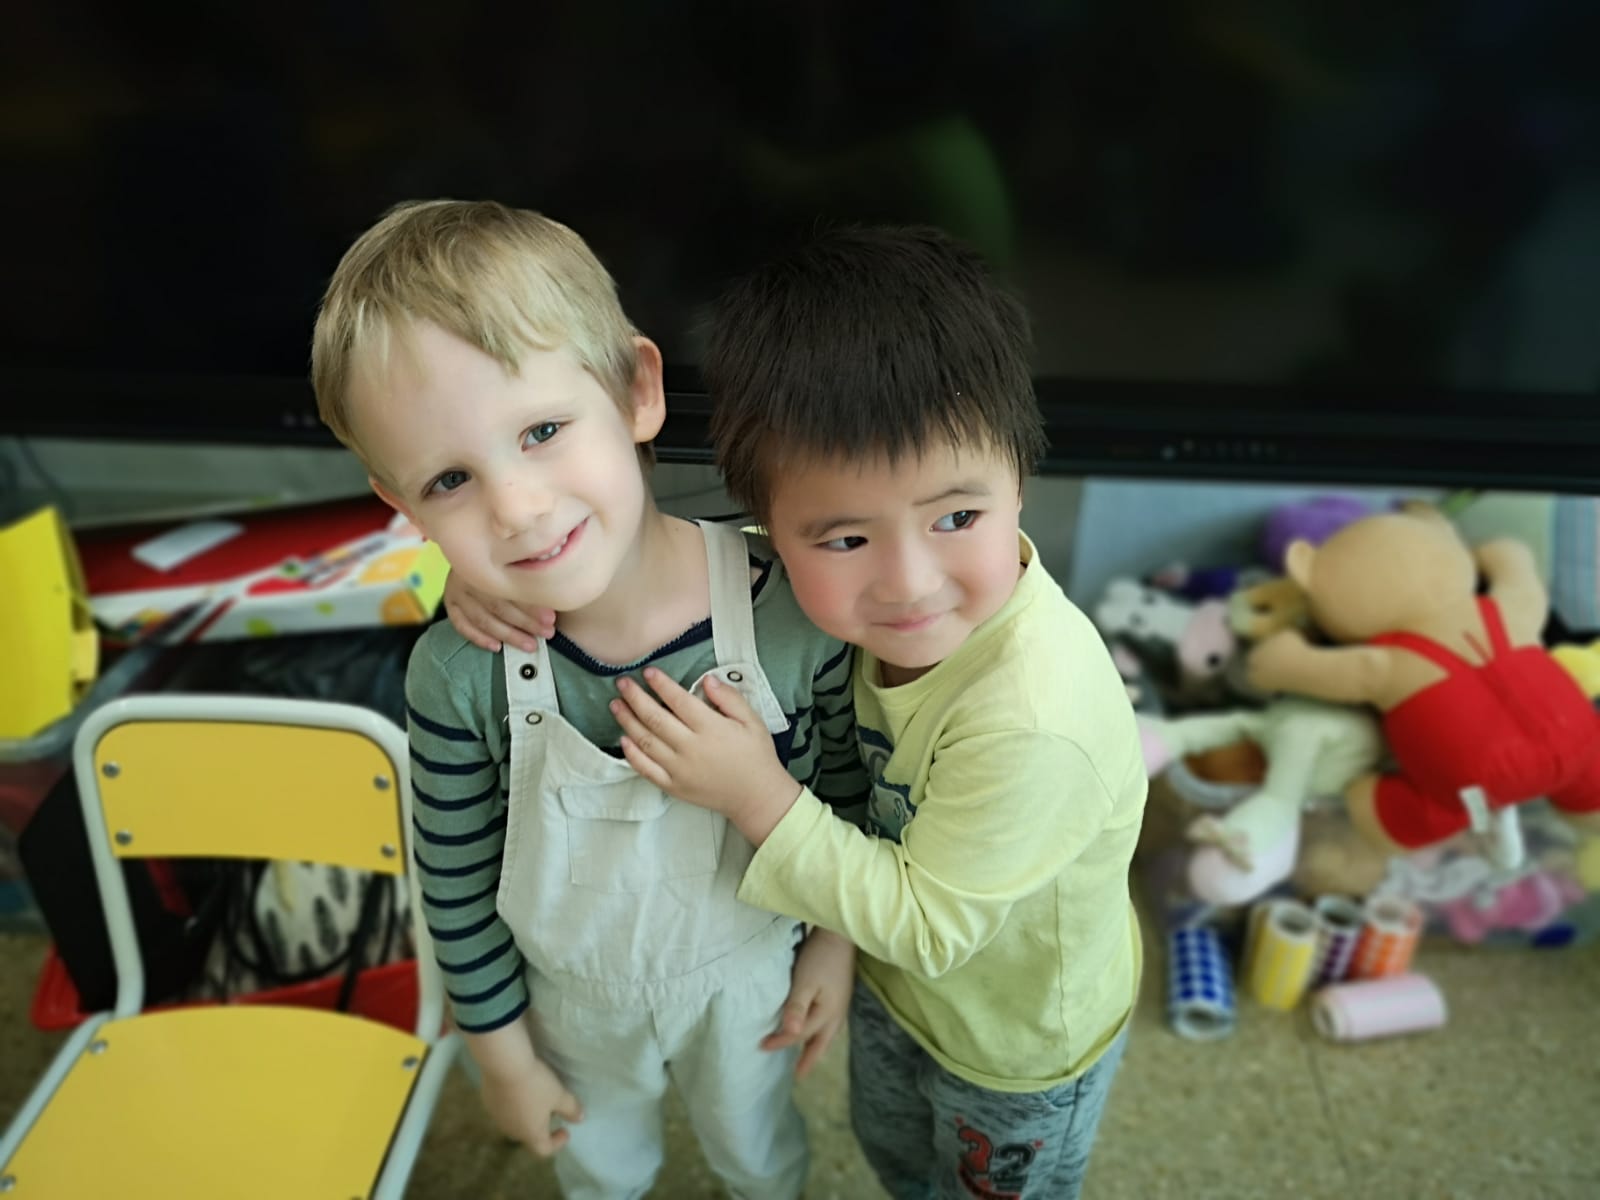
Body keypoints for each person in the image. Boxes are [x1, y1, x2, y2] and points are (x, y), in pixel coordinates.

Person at [449, 225, 1148, 1200]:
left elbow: (930, 926)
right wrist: (491, 577)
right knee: (896, 1157)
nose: (909, 584)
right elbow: (654, 552)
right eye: (846, 539)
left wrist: (757, 795)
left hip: (1016, 1043)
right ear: (768, 530)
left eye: (957, 517)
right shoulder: (806, 583)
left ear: (1020, 480)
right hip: (897, 994)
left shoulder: (1035, 718)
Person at [310, 199, 867, 1200]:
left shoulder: (788, 610)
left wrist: (834, 946)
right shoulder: (456, 675)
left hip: (751, 974)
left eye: (542, 430)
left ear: (637, 390)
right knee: (602, 1174)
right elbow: (454, 886)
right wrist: (502, 1060)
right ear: (400, 505)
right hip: (569, 1008)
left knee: (759, 1155)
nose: (516, 508)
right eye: (449, 479)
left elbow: (848, 793)